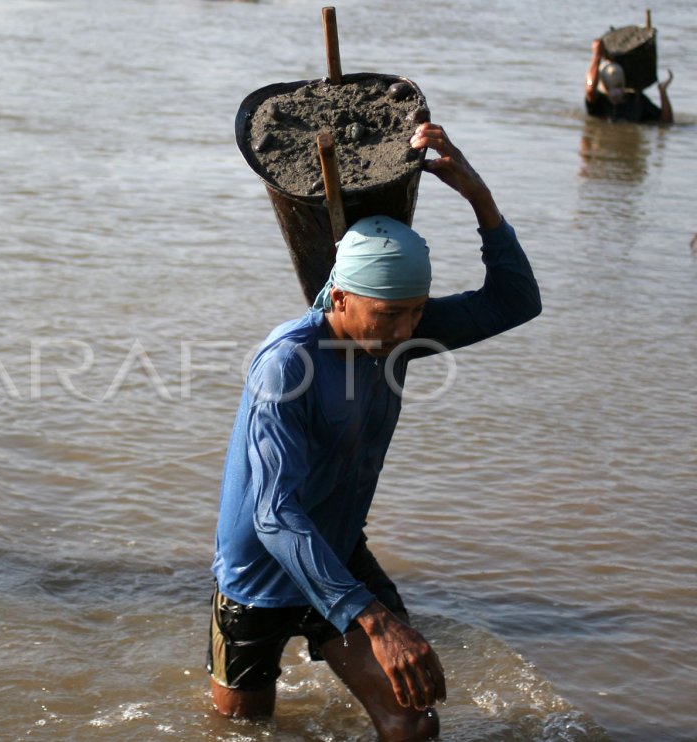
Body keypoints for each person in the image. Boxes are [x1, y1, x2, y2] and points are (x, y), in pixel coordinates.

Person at [207, 122, 541, 740]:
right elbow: (275, 515)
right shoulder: (286, 365)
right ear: (337, 298)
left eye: (416, 311)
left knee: (414, 718)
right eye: (388, 314)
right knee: (242, 730)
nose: (403, 328)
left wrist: (480, 198)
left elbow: (515, 302)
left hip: (337, 548)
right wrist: (376, 621)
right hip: (259, 573)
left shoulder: (399, 339)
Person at [585, 37, 673, 124]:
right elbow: (590, 89)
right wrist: (596, 56)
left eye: (618, 85)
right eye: (610, 87)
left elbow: (666, 121)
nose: (615, 92)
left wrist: (662, 92)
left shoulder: (636, 102)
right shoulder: (599, 103)